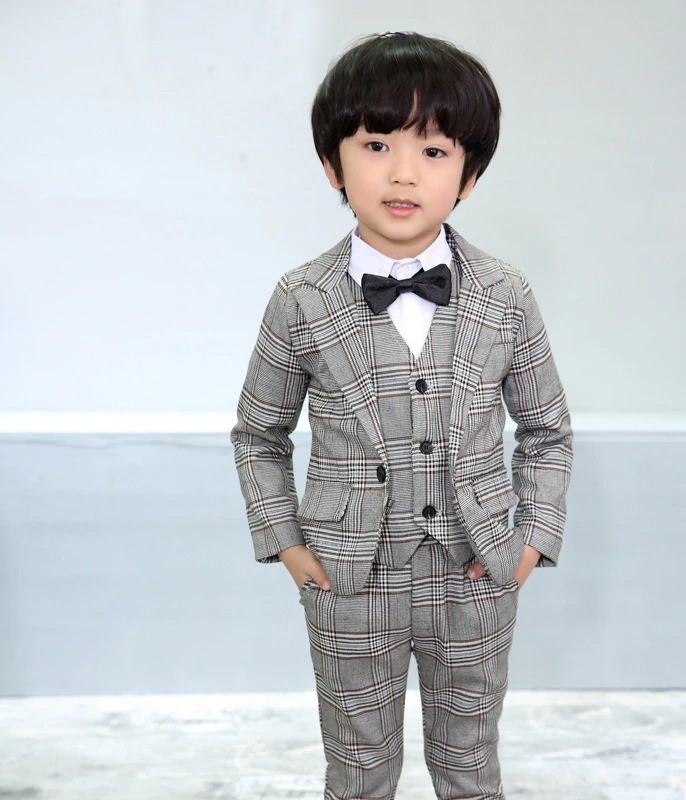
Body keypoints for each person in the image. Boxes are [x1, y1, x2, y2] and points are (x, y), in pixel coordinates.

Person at [230, 30, 573, 800]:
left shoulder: (506, 294)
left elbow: (547, 431)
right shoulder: (301, 298)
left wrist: (530, 542)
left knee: (471, 769)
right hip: (349, 579)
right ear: (333, 164)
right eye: (377, 144)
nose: (403, 173)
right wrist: (287, 544)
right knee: (358, 772)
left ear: (470, 175)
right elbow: (258, 434)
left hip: (475, 574)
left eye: (435, 150)